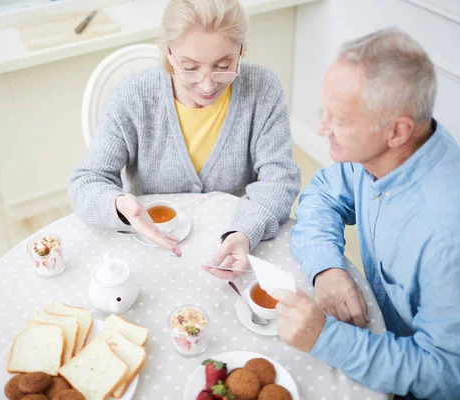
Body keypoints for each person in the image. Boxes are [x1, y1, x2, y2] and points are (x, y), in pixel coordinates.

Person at [274, 27, 460, 400]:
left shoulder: (453, 230)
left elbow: (450, 375)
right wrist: (326, 268)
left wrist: (325, 337)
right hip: (387, 340)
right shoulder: (378, 155)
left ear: (397, 131)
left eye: (340, 120)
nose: (321, 129)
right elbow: (321, 195)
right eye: (324, 113)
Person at [68, 0, 300, 274]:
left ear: (241, 50)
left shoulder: (262, 88)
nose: (207, 84)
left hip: (232, 243)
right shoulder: (134, 96)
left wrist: (245, 232)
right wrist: (119, 205)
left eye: (224, 64)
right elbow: (86, 182)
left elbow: (280, 178)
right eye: (189, 67)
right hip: (152, 247)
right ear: (168, 54)